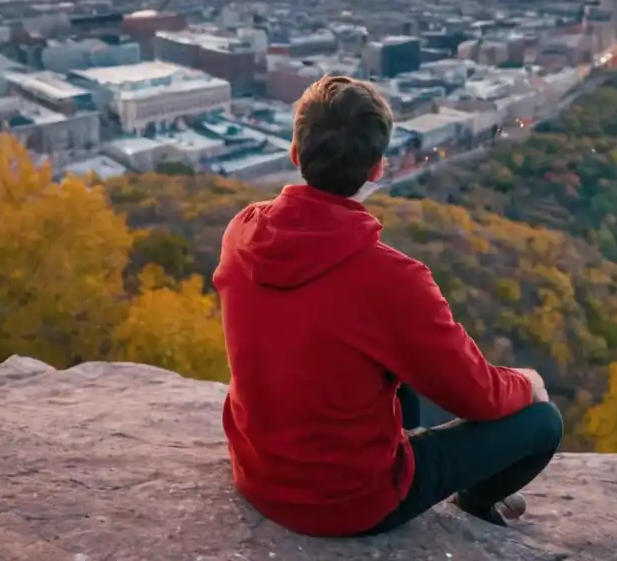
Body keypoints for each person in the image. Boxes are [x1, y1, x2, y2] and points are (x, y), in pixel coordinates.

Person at [214, 75, 564, 538]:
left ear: (295, 153)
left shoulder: (243, 231)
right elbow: (477, 396)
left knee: (394, 370)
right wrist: (527, 382)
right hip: (348, 502)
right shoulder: (392, 279)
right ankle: (475, 500)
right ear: (378, 168)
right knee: (541, 422)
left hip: (258, 472)